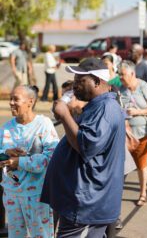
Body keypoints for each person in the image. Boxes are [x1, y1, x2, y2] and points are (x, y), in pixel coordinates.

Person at [41, 58, 126, 238]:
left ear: (97, 81)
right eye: (75, 81)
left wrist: (64, 115)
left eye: (80, 81)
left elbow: (85, 146)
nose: (75, 86)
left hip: (87, 204)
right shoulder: (97, 106)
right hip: (82, 201)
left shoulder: (105, 109)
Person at [0, 85, 59, 237]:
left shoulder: (43, 124)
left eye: (16, 99)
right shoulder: (6, 128)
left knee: (41, 235)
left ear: (30, 102)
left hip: (37, 196)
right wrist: (5, 153)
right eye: (10, 99)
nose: (11, 102)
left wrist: (19, 162)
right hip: (11, 193)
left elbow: (51, 157)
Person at [118, 60, 147, 206]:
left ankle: (143, 193)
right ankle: (117, 195)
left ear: (132, 73)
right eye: (119, 74)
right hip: (124, 135)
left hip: (142, 133)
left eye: (123, 75)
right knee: (121, 165)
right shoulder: (119, 88)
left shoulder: (144, 87)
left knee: (141, 164)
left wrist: (138, 112)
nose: (121, 77)